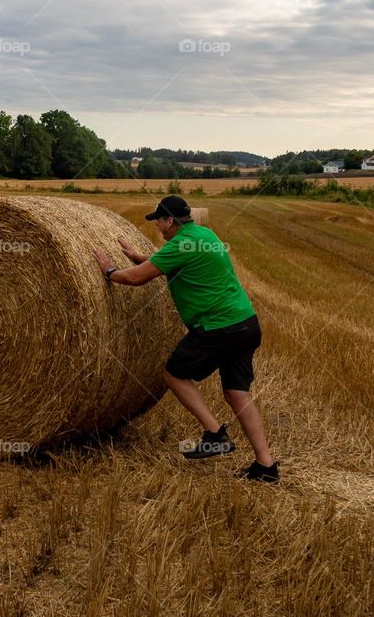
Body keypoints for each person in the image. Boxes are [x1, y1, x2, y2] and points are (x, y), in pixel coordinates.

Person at [92, 195, 279, 483]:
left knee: (174, 373)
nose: (157, 227)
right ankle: (266, 466)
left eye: (159, 221)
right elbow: (171, 263)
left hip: (218, 327)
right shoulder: (203, 234)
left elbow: (135, 279)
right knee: (237, 393)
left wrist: (109, 270)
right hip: (245, 323)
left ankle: (215, 434)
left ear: (169, 221)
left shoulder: (179, 244)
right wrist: (141, 259)